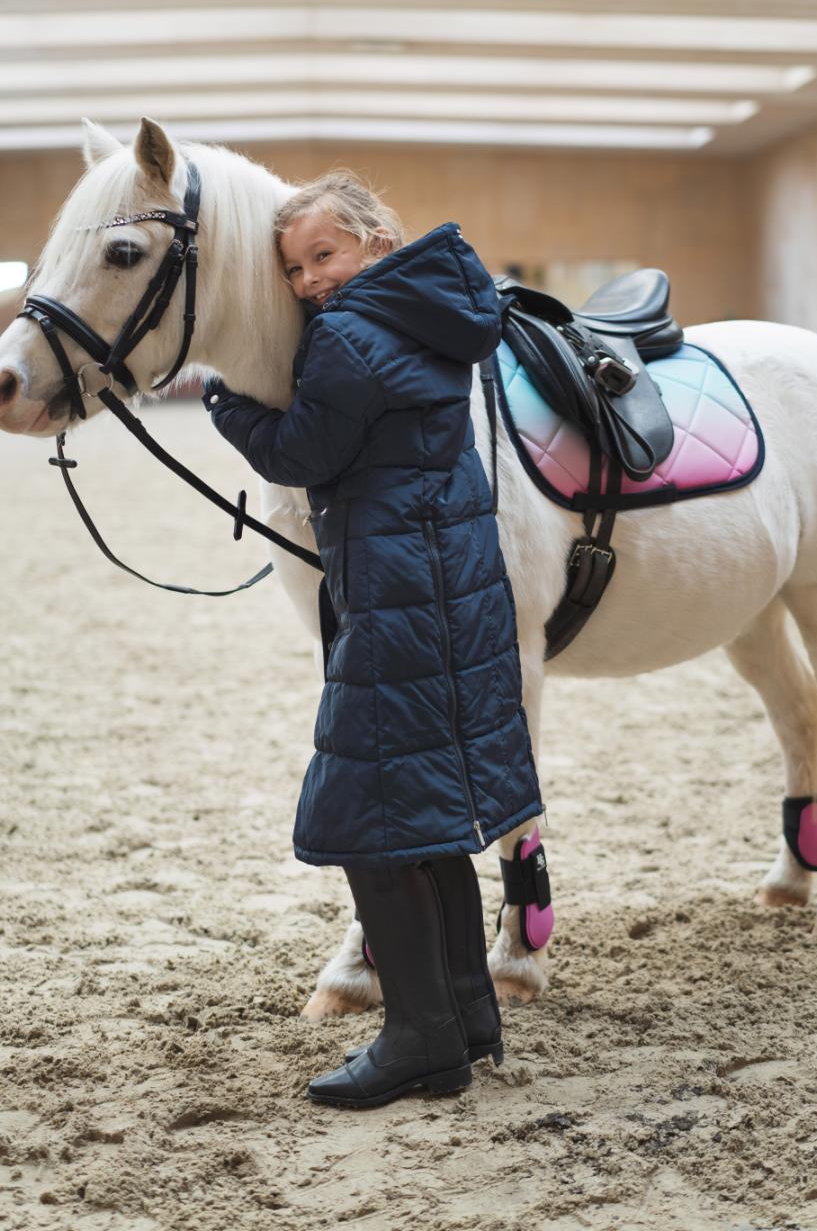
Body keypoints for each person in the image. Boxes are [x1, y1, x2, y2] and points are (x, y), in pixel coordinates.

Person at [202, 171, 544, 1109]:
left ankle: (421, 1040)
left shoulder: (352, 333)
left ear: (376, 242)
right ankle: (468, 1017)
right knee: (427, 810)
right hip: (448, 586)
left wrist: (225, 397)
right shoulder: (432, 314)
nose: (310, 281)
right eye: (294, 269)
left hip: (404, 596)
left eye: (325, 255)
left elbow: (300, 455)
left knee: (367, 815)